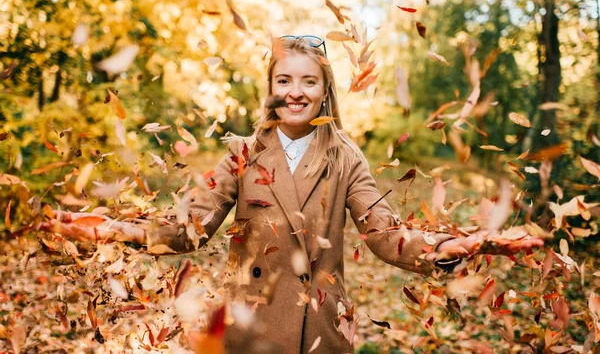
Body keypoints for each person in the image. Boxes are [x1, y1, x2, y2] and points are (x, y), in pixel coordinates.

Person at [43, 36, 544, 353]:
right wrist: (113, 230)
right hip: (249, 325)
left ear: (324, 92)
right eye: (284, 80)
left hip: (319, 329)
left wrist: (442, 249)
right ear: (270, 89)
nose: (296, 92)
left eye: (308, 82)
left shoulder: (346, 157)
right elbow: (187, 231)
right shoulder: (241, 153)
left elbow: (384, 234)